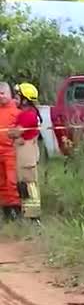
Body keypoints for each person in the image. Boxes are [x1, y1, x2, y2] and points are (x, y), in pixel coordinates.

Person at [11, 83, 41, 219]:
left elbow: (15, 132)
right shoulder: (28, 113)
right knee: (23, 183)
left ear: (25, 99)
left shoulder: (28, 115)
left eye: (17, 96)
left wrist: (12, 133)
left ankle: (33, 215)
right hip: (25, 151)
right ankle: (28, 212)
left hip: (26, 152)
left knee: (28, 183)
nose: (15, 99)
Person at [0, 82, 20, 218]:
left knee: (12, 181)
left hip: (11, 152)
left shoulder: (17, 113)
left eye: (3, 93)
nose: (0, 96)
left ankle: (16, 209)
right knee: (1, 182)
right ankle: (5, 209)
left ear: (9, 94)